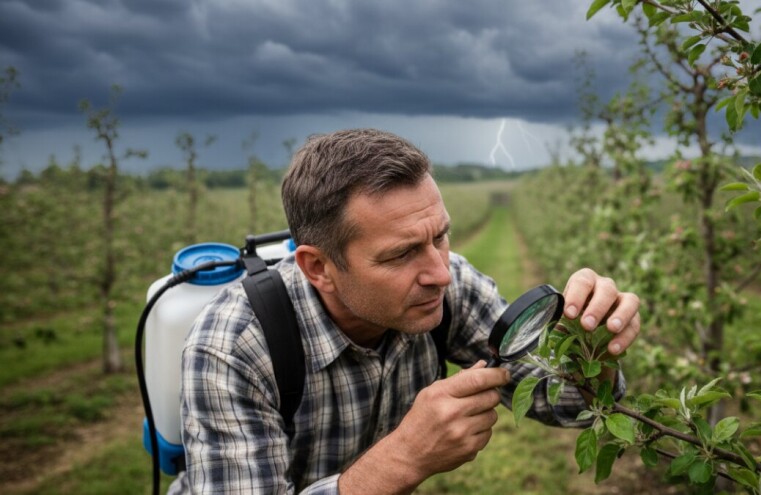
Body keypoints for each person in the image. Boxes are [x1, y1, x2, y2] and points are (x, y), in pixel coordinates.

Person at [172, 128, 640, 494]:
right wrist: (405, 459)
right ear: (319, 267)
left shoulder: (449, 286)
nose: (439, 271)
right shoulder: (234, 347)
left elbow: (571, 408)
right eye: (400, 254)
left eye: (439, 236)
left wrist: (591, 348)